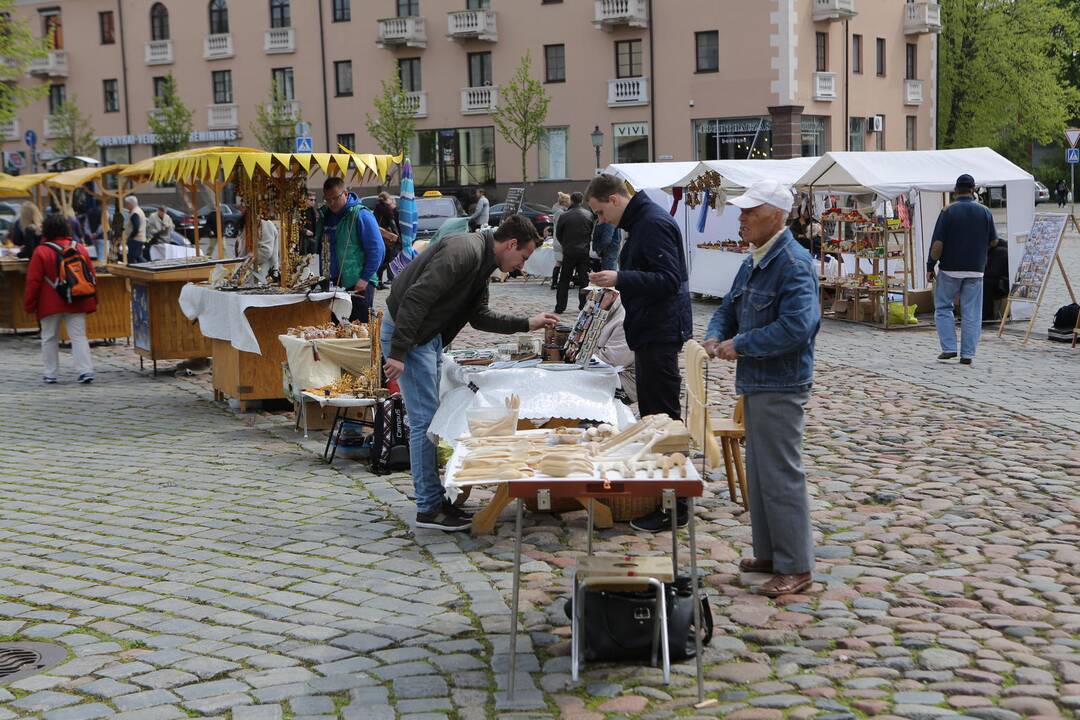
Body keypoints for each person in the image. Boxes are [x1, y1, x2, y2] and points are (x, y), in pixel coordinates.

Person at [382, 215, 560, 531]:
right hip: (412, 337)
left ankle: (435, 500)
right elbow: (417, 297)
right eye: (523, 257)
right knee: (425, 420)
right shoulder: (463, 251)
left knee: (431, 418)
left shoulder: (482, 261)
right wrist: (398, 352)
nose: (521, 265)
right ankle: (429, 508)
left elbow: (478, 317)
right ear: (511, 244)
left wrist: (526, 323)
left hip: (427, 337)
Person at [703, 179, 820, 598]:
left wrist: (739, 345)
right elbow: (729, 307)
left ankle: (796, 565)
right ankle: (771, 553)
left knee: (781, 474)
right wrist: (716, 335)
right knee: (762, 473)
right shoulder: (755, 259)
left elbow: (797, 326)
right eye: (742, 210)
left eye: (751, 211)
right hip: (758, 380)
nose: (742, 217)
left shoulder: (792, 262)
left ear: (775, 214)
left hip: (781, 381)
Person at [584, 173, 693, 532]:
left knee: (663, 421)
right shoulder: (643, 221)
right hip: (651, 330)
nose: (601, 221)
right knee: (652, 419)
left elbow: (669, 279)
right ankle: (661, 496)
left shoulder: (652, 223)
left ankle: (674, 504)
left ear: (615, 199)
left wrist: (620, 278)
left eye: (600, 213)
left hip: (660, 333)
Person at [928, 174, 998, 365]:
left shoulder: (948, 211)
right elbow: (994, 241)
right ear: (973, 189)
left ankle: (949, 348)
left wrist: (929, 265)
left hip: (950, 269)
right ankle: (967, 354)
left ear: (956, 190)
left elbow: (937, 244)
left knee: (943, 307)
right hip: (975, 269)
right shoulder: (985, 212)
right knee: (972, 312)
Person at [23, 213, 97, 384]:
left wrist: (29, 305)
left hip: (49, 302)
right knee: (79, 336)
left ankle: (51, 373)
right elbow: (91, 276)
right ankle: (85, 370)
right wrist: (93, 301)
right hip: (77, 299)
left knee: (49, 337)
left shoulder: (41, 251)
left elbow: (33, 281)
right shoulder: (79, 248)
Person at [314, 177, 384, 322]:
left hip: (358, 283)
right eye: (328, 199)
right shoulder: (325, 215)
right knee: (336, 330)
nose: (331, 203)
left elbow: (377, 250)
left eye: (335, 198)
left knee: (358, 330)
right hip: (333, 284)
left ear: (345, 193)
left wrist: (364, 279)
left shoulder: (361, 214)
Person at [553, 191, 594, 315]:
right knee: (584, 280)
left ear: (571, 200)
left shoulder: (565, 216)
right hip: (583, 251)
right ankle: (584, 305)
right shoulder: (588, 215)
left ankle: (560, 306)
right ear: (581, 201)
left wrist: (566, 244)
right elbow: (591, 232)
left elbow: (558, 234)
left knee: (564, 280)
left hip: (569, 250)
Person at [593, 291, 636, 404]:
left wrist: (582, 357)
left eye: (595, 295)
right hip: (610, 373)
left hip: (626, 382)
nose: (590, 299)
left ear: (612, 295)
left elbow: (611, 361)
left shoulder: (624, 318)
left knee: (575, 386)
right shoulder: (605, 309)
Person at [374, 191, 401, 288]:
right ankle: (379, 281)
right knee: (388, 260)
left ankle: (379, 282)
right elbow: (392, 222)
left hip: (378, 237)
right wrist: (397, 235)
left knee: (381, 260)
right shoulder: (387, 209)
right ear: (387, 199)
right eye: (389, 198)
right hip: (387, 238)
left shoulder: (376, 208)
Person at [550, 191, 571, 289]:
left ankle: (555, 282)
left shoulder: (558, 211)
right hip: (561, 241)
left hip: (557, 241)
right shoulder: (561, 213)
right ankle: (556, 283)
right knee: (561, 262)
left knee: (559, 262)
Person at [123, 195, 148, 264]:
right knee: (137, 257)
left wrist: (130, 237)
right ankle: (147, 268)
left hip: (135, 239)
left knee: (132, 258)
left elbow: (136, 227)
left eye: (126, 204)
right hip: (139, 238)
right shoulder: (138, 210)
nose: (126, 206)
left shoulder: (135, 213)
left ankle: (148, 268)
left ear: (130, 204)